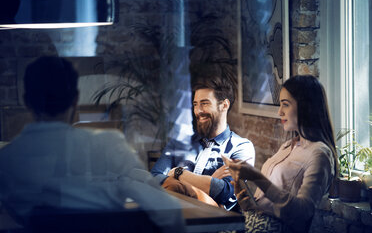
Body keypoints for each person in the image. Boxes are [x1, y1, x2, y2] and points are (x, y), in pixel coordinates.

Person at [0, 56, 185, 233]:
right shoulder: (109, 145)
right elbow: (169, 213)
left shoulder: (6, 160)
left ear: (27, 101)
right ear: (75, 99)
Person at [225, 75, 337, 233]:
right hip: (256, 222)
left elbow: (303, 213)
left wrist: (257, 177)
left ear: (306, 106)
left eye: (285, 104)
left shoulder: (319, 154)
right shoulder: (287, 146)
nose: (279, 112)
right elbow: (268, 203)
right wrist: (248, 204)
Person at [151, 74, 255, 210]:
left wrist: (178, 173)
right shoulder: (179, 143)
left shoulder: (241, 147)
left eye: (204, 103)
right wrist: (210, 181)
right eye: (195, 104)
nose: (198, 111)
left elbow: (226, 193)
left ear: (224, 105)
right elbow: (154, 178)